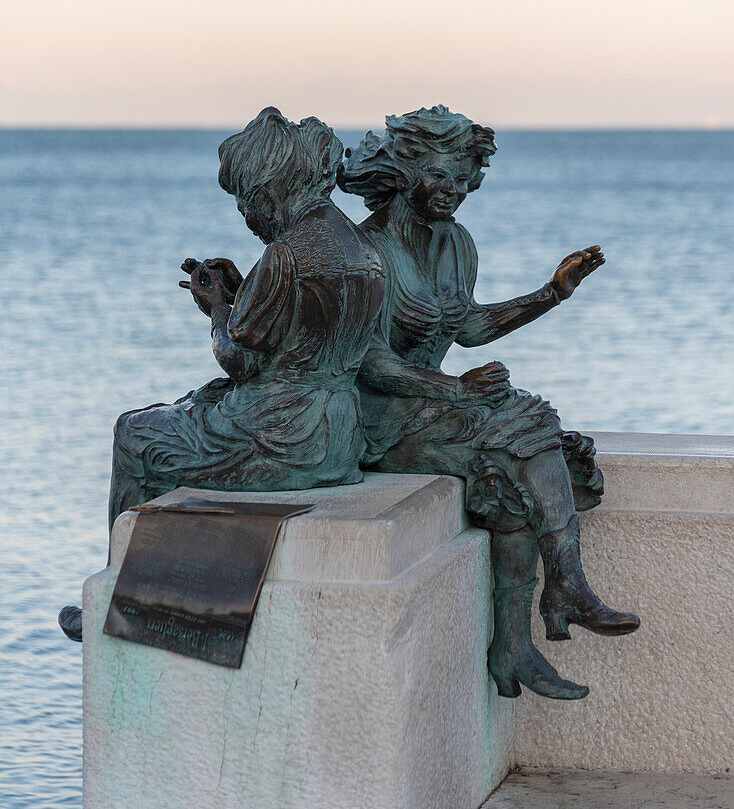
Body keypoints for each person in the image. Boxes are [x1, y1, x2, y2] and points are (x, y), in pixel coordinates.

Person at [339, 105, 639, 700]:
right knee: (521, 438)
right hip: (379, 418)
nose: (452, 191)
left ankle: (523, 636)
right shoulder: (365, 250)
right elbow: (366, 361)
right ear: (401, 173)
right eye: (437, 175)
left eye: (461, 178)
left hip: (437, 403)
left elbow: (470, 326)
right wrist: (457, 389)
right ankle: (561, 593)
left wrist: (551, 294)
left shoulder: (456, 244)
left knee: (527, 434)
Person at [59, 108, 384, 641]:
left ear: (270, 190)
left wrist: (215, 308)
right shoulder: (361, 250)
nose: (246, 216)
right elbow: (303, 339)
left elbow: (239, 359)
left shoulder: (286, 254)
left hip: (284, 434)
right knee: (188, 408)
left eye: (245, 202)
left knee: (135, 433)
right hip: (339, 434)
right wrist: (241, 294)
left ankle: (120, 595)